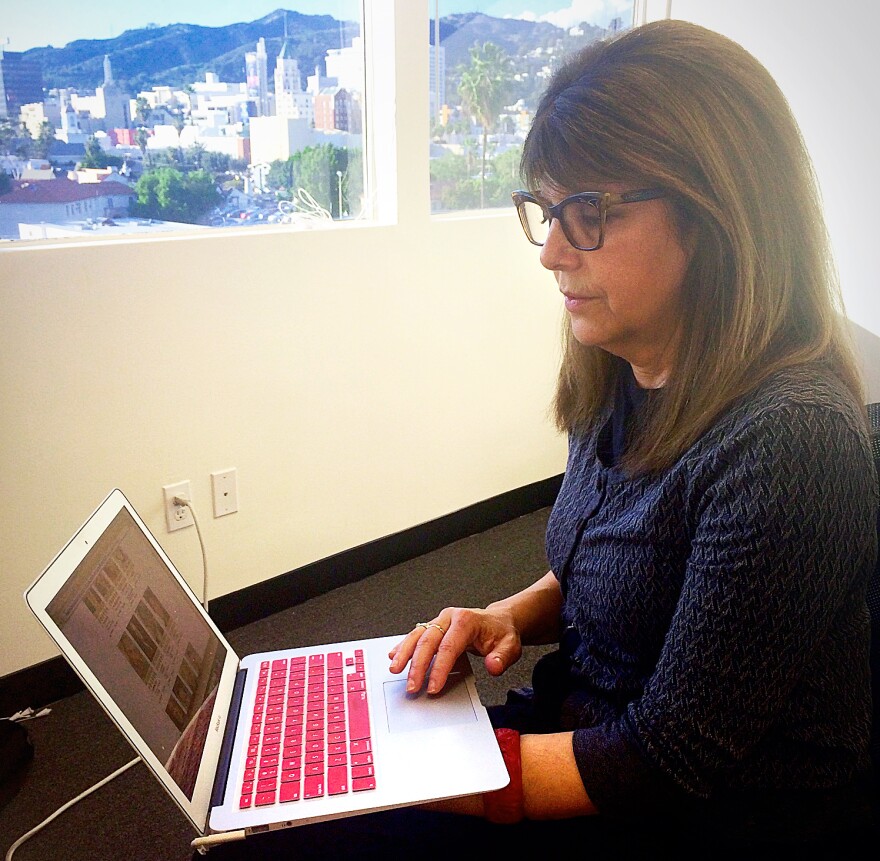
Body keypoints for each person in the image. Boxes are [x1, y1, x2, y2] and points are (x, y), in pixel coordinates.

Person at [211, 18, 877, 860]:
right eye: (547, 211)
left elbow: (667, 759)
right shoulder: (623, 364)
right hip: (582, 732)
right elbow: (618, 564)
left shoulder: (791, 442)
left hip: (688, 808)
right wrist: (508, 615)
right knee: (270, 821)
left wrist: (400, 772)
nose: (552, 252)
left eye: (588, 213)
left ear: (717, 216)